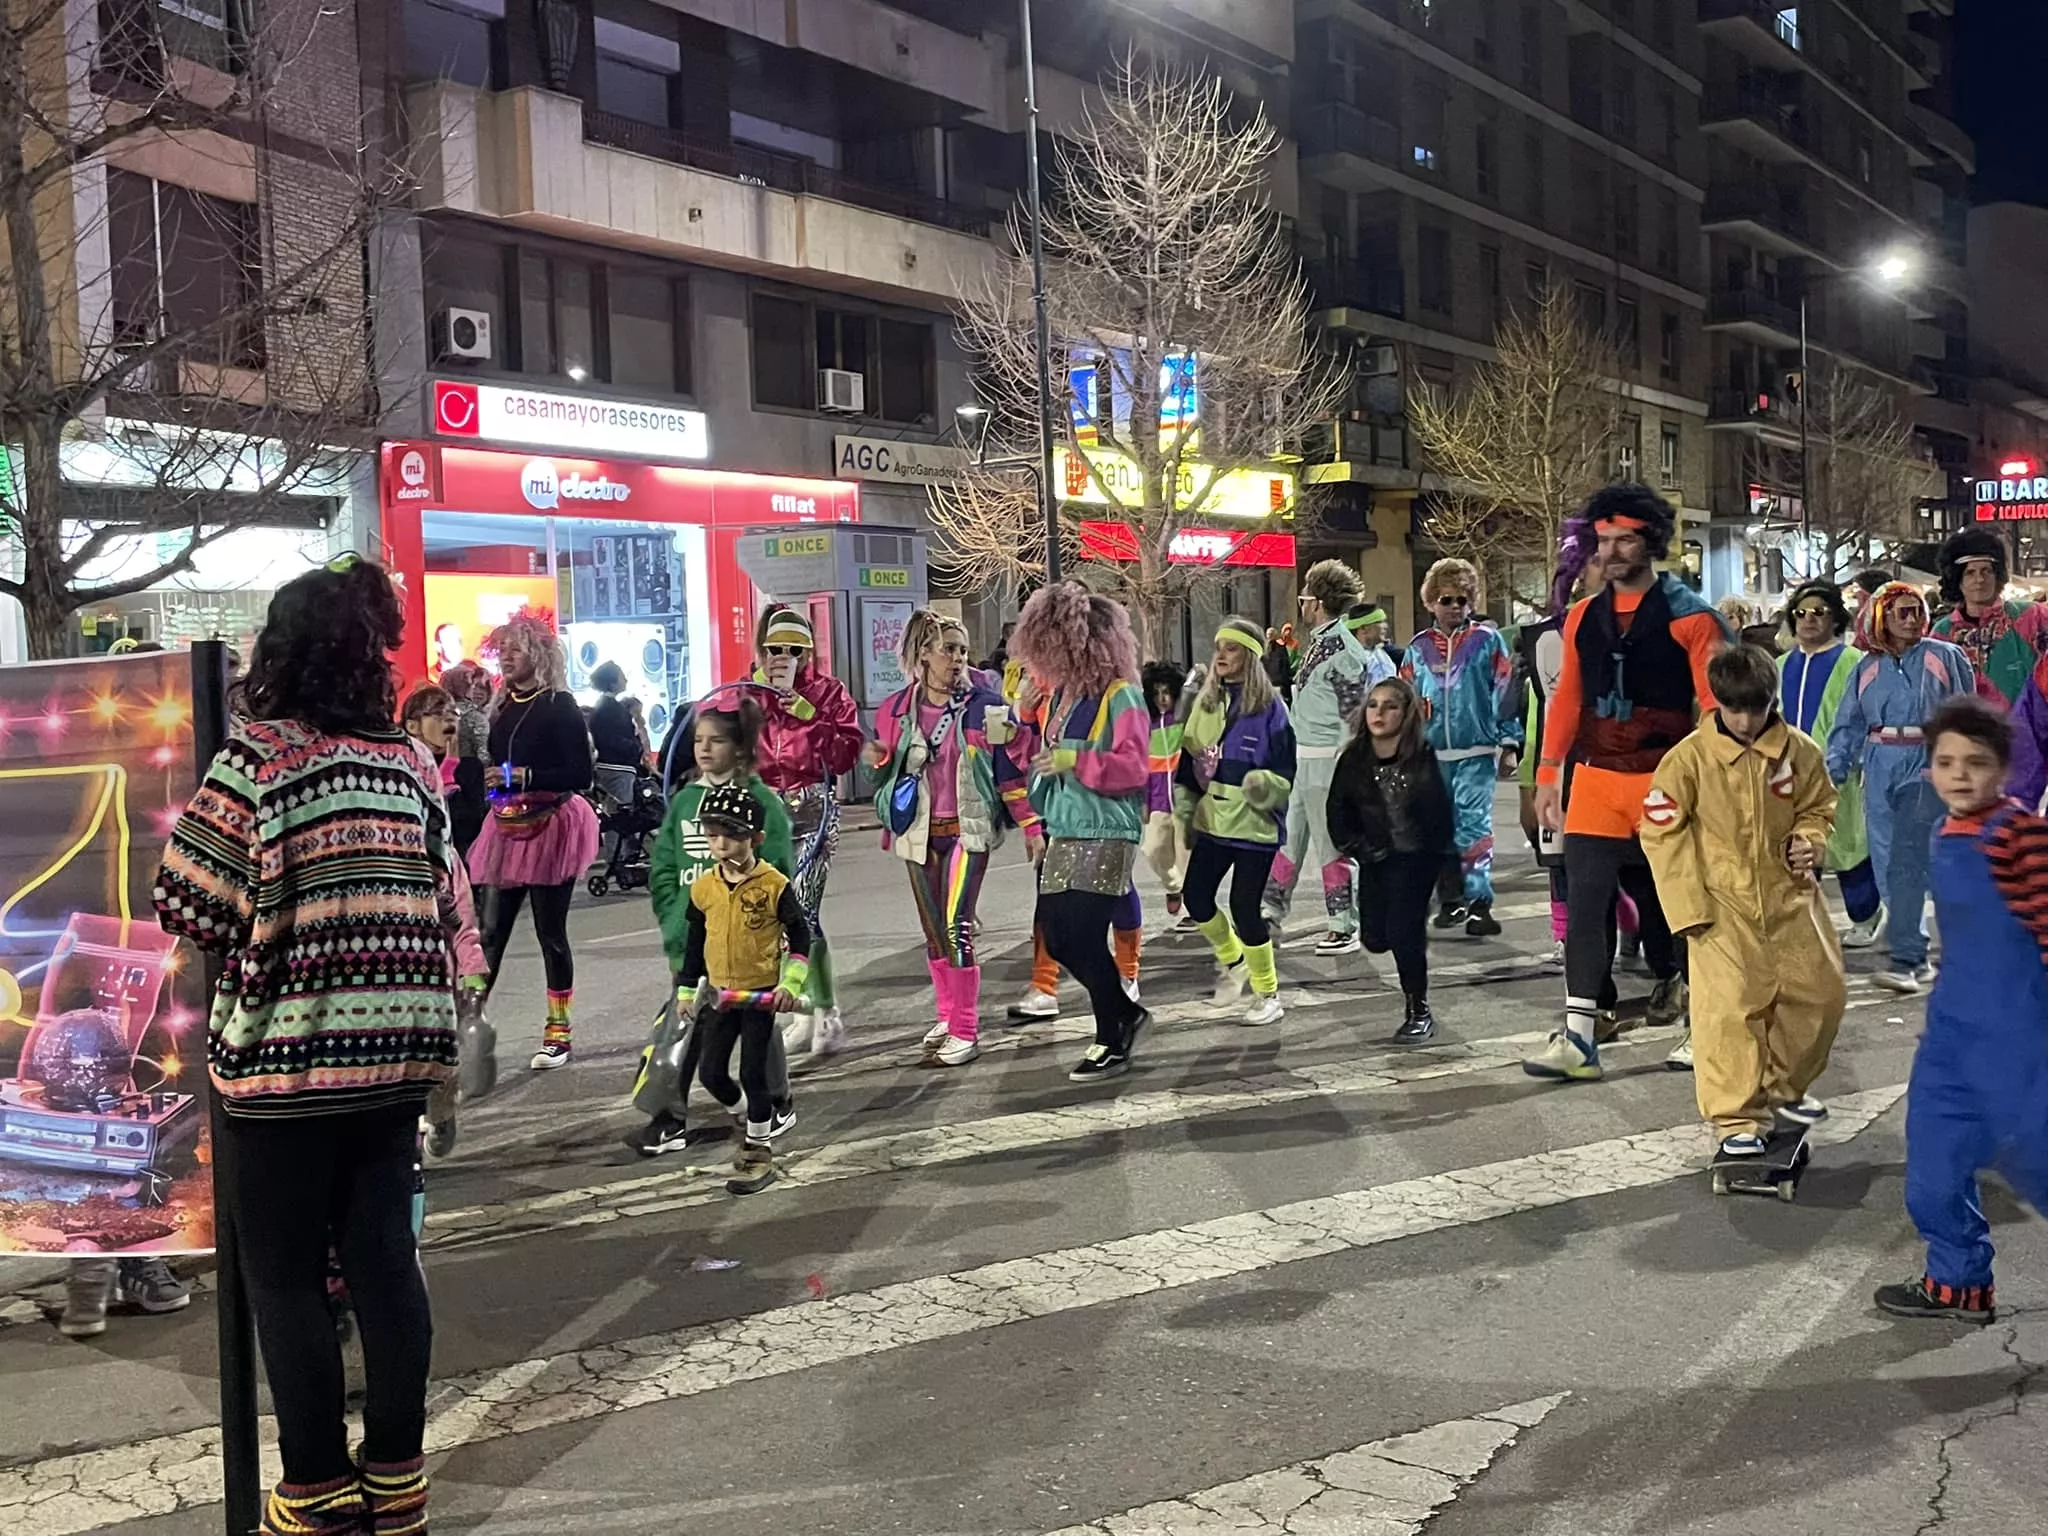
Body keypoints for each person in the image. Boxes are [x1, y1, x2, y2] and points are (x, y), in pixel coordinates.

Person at [153, 557, 455, 1536]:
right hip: (398, 1059)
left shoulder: (258, 762)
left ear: (279, 657)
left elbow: (187, 901)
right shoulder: (405, 763)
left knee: (282, 1279)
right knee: (385, 1266)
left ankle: (318, 1490)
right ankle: (397, 1484)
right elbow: (446, 895)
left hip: (287, 1064)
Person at [1524, 484, 1729, 1083]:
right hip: (1595, 783)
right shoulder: (1582, 617)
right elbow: (1567, 701)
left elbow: (1715, 708)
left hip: (1666, 781)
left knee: (1685, 909)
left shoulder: (1692, 617)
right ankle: (1579, 1039)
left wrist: (1709, 785)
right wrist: (1547, 776)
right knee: (1586, 907)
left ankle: (1705, 1028)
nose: (1611, 552)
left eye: (1625, 540)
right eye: (1604, 540)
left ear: (1652, 541)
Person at [1874, 697, 2048, 1324]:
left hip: (2022, 1042)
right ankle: (1958, 1284)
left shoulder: (2022, 834)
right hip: (1951, 1039)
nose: (1960, 775)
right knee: (1933, 1169)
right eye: (1946, 762)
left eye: (1976, 762)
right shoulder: (1944, 831)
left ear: (2002, 768)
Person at [1640, 645, 1845, 1159]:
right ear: (1718, 702)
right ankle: (1737, 1118)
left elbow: (1819, 806)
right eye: (1736, 709)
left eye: (1758, 708)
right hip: (1719, 905)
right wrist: (1688, 909)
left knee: (1820, 998)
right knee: (1729, 1013)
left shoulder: (1800, 751)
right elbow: (1661, 833)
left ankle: (1778, 1091)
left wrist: (1810, 839)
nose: (1747, 721)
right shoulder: (1687, 759)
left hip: (1790, 898)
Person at [866, 610, 1040, 1068]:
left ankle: (966, 1029)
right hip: (918, 831)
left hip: (968, 830)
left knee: (957, 926)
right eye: (949, 649)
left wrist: (1031, 825)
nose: (959, 658)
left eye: (963, 649)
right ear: (924, 654)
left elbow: (1011, 769)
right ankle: (947, 1016)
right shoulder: (896, 710)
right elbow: (883, 773)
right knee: (932, 932)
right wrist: (877, 760)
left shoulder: (985, 706)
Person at [634, 691, 797, 1155]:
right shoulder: (687, 801)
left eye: (717, 740)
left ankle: (776, 1100)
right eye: (699, 740)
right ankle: (670, 1117)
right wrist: (675, 920)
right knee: (682, 1026)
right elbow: (664, 865)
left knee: (757, 1028)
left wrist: (769, 929)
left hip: (747, 944)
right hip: (694, 941)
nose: (704, 749)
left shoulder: (761, 801)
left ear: (740, 748)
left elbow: (778, 872)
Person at [1007, 583, 1152, 1081]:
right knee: (1059, 937)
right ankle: (1125, 1016)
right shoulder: (1062, 697)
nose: (1045, 660)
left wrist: (1075, 758)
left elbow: (1135, 767)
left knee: (1083, 936)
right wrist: (1022, 726)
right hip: (1065, 828)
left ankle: (1112, 1034)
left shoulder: (1122, 695)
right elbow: (1041, 761)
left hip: (1107, 829)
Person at [1825, 582, 1975, 994]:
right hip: (1879, 765)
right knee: (1887, 856)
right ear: (1882, 618)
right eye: (1902, 612)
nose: (1912, 620)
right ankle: (1919, 951)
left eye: (1916, 611)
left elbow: (1966, 711)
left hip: (1927, 761)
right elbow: (1849, 722)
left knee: (1909, 855)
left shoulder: (1944, 656)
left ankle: (1912, 957)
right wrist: (1834, 769)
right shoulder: (1866, 668)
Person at [468, 612, 601, 1069]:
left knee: (550, 934)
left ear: (538, 654)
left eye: (516, 649)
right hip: (504, 827)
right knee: (489, 935)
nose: (506, 657)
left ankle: (558, 1033)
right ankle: (469, 1029)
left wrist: (524, 776)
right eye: (502, 649)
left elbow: (580, 774)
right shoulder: (502, 705)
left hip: (551, 826)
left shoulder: (559, 705)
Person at [677, 783, 813, 1196]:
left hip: (759, 997)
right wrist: (686, 990)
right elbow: (694, 944)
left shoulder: (773, 885)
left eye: (731, 835)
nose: (720, 844)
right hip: (720, 997)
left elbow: (801, 937)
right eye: (712, 835)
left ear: (755, 838)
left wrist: (791, 982)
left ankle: (758, 1149)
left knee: (754, 1073)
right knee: (711, 1073)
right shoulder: (704, 888)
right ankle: (751, 1118)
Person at [751, 606, 864, 1058]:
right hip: (765, 818)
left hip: (814, 810)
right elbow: (726, 742)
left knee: (803, 914)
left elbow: (844, 756)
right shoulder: (750, 692)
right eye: (775, 648)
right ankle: (803, 1013)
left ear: (809, 651)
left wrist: (807, 713)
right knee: (776, 918)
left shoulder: (829, 692)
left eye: (794, 649)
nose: (784, 657)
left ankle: (827, 1012)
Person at [1262, 561, 1391, 954]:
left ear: (1317, 603)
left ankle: (1343, 924)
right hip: (1303, 759)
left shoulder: (1345, 650)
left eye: (1304, 598)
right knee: (1289, 839)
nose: (1301, 605)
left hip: (1328, 762)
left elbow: (1353, 717)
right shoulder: (1321, 641)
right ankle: (1269, 911)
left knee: (1331, 843)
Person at [1177, 616, 1297, 1026]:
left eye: (1230, 648)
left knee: (1244, 908)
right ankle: (1234, 960)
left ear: (1249, 656)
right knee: (1196, 897)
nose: (1221, 655)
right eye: (1218, 648)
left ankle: (1268, 994)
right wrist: (1187, 804)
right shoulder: (1205, 703)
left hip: (1254, 825)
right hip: (1214, 820)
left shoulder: (1272, 709)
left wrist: (1264, 786)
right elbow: (1188, 761)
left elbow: (1286, 771)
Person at [1327, 677, 1454, 1044]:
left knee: (1403, 931)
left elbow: (1441, 816)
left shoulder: (1423, 756)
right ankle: (1397, 944)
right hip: (1375, 857)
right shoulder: (1353, 758)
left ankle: (1419, 1010)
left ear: (1406, 713)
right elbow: (1337, 811)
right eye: (1373, 705)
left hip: (1417, 859)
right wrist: (1357, 846)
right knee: (1375, 937)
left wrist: (1449, 878)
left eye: (1390, 706)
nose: (1379, 713)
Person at [1402, 558, 1520, 936]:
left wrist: (1509, 742)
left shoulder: (1487, 641)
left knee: (1473, 827)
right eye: (1446, 599)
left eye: (1462, 600)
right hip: (1430, 755)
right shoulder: (1418, 648)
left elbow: (1505, 691)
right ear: (1431, 602)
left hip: (1476, 752)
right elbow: (1404, 699)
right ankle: (1450, 900)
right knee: (1437, 830)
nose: (1455, 606)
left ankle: (1479, 905)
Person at [401, 685, 492, 1156]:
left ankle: (440, 1112)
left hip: (444, 877)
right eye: (436, 712)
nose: (448, 718)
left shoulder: (461, 772)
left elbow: (461, 917)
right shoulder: (399, 767)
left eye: (450, 711)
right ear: (411, 724)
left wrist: (471, 967)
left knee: (442, 1050)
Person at [1777, 581, 1882, 947]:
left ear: (1835, 618)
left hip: (1843, 773)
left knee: (1849, 846)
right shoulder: (1780, 665)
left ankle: (1865, 916)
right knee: (1797, 848)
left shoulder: (1855, 662)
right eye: (1801, 613)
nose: (1809, 619)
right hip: (1787, 774)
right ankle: (1803, 918)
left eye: (1819, 612)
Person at [1930, 527, 2048, 710]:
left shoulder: (2032, 616)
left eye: (1987, 571)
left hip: (2027, 725)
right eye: (1970, 572)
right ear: (1957, 579)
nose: (1980, 579)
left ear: (1997, 575)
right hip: (1965, 726)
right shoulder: (1941, 634)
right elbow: (1933, 695)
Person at [1140, 660, 1191, 923]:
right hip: (1158, 799)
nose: (1162, 698)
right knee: (1152, 849)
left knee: (1187, 858)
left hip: (1185, 799)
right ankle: (1173, 887)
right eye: (1157, 693)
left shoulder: (1184, 720)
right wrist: (1143, 801)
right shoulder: (1144, 726)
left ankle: (1193, 911)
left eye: (1167, 692)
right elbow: (1141, 767)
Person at [437, 662, 491, 855]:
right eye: (471, 684)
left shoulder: (436, 715)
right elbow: (484, 755)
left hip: (441, 772)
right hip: (470, 775)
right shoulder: (475, 717)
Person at [587, 660, 647, 768]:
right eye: (622, 677)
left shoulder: (605, 705)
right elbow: (612, 738)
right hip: (617, 766)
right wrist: (635, 748)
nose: (626, 680)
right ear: (612, 683)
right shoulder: (609, 708)